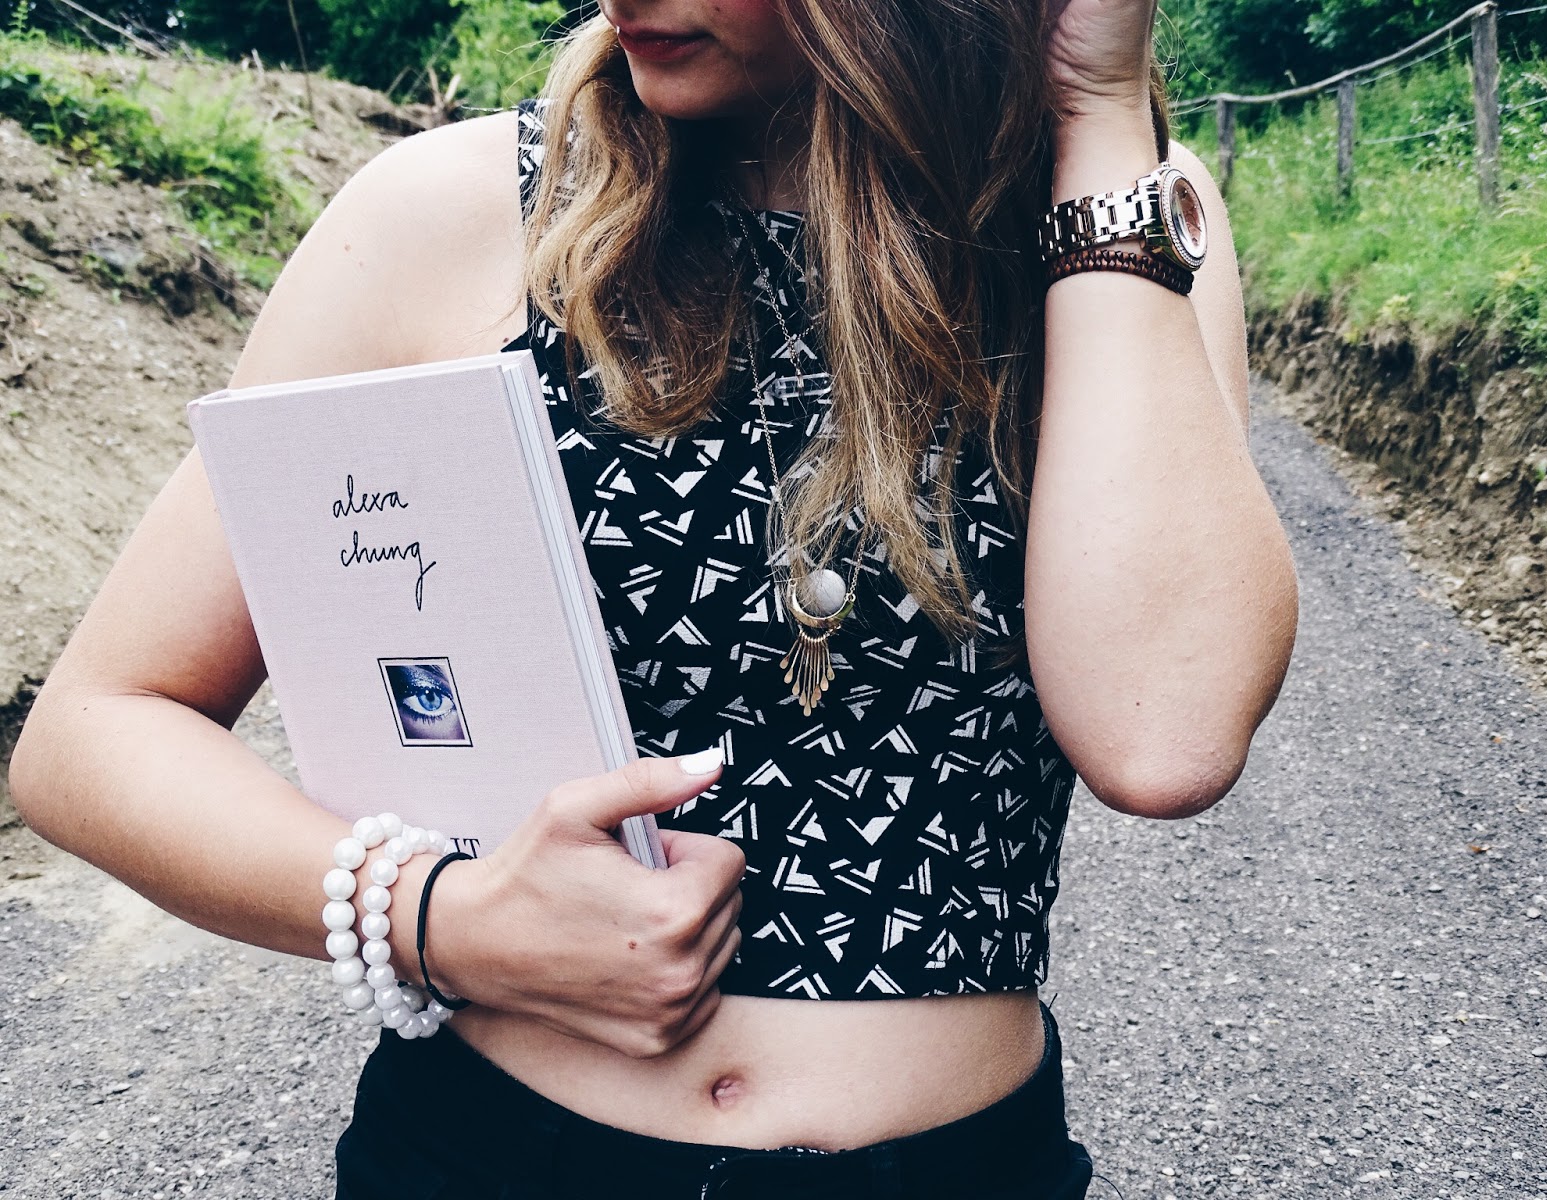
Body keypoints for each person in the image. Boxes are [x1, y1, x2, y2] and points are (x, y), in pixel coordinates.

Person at [8, 0, 1299, 1196]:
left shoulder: (1111, 219)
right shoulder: (461, 215)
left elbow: (1164, 733)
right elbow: (94, 729)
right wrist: (444, 918)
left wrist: (1100, 110)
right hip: (491, 1162)